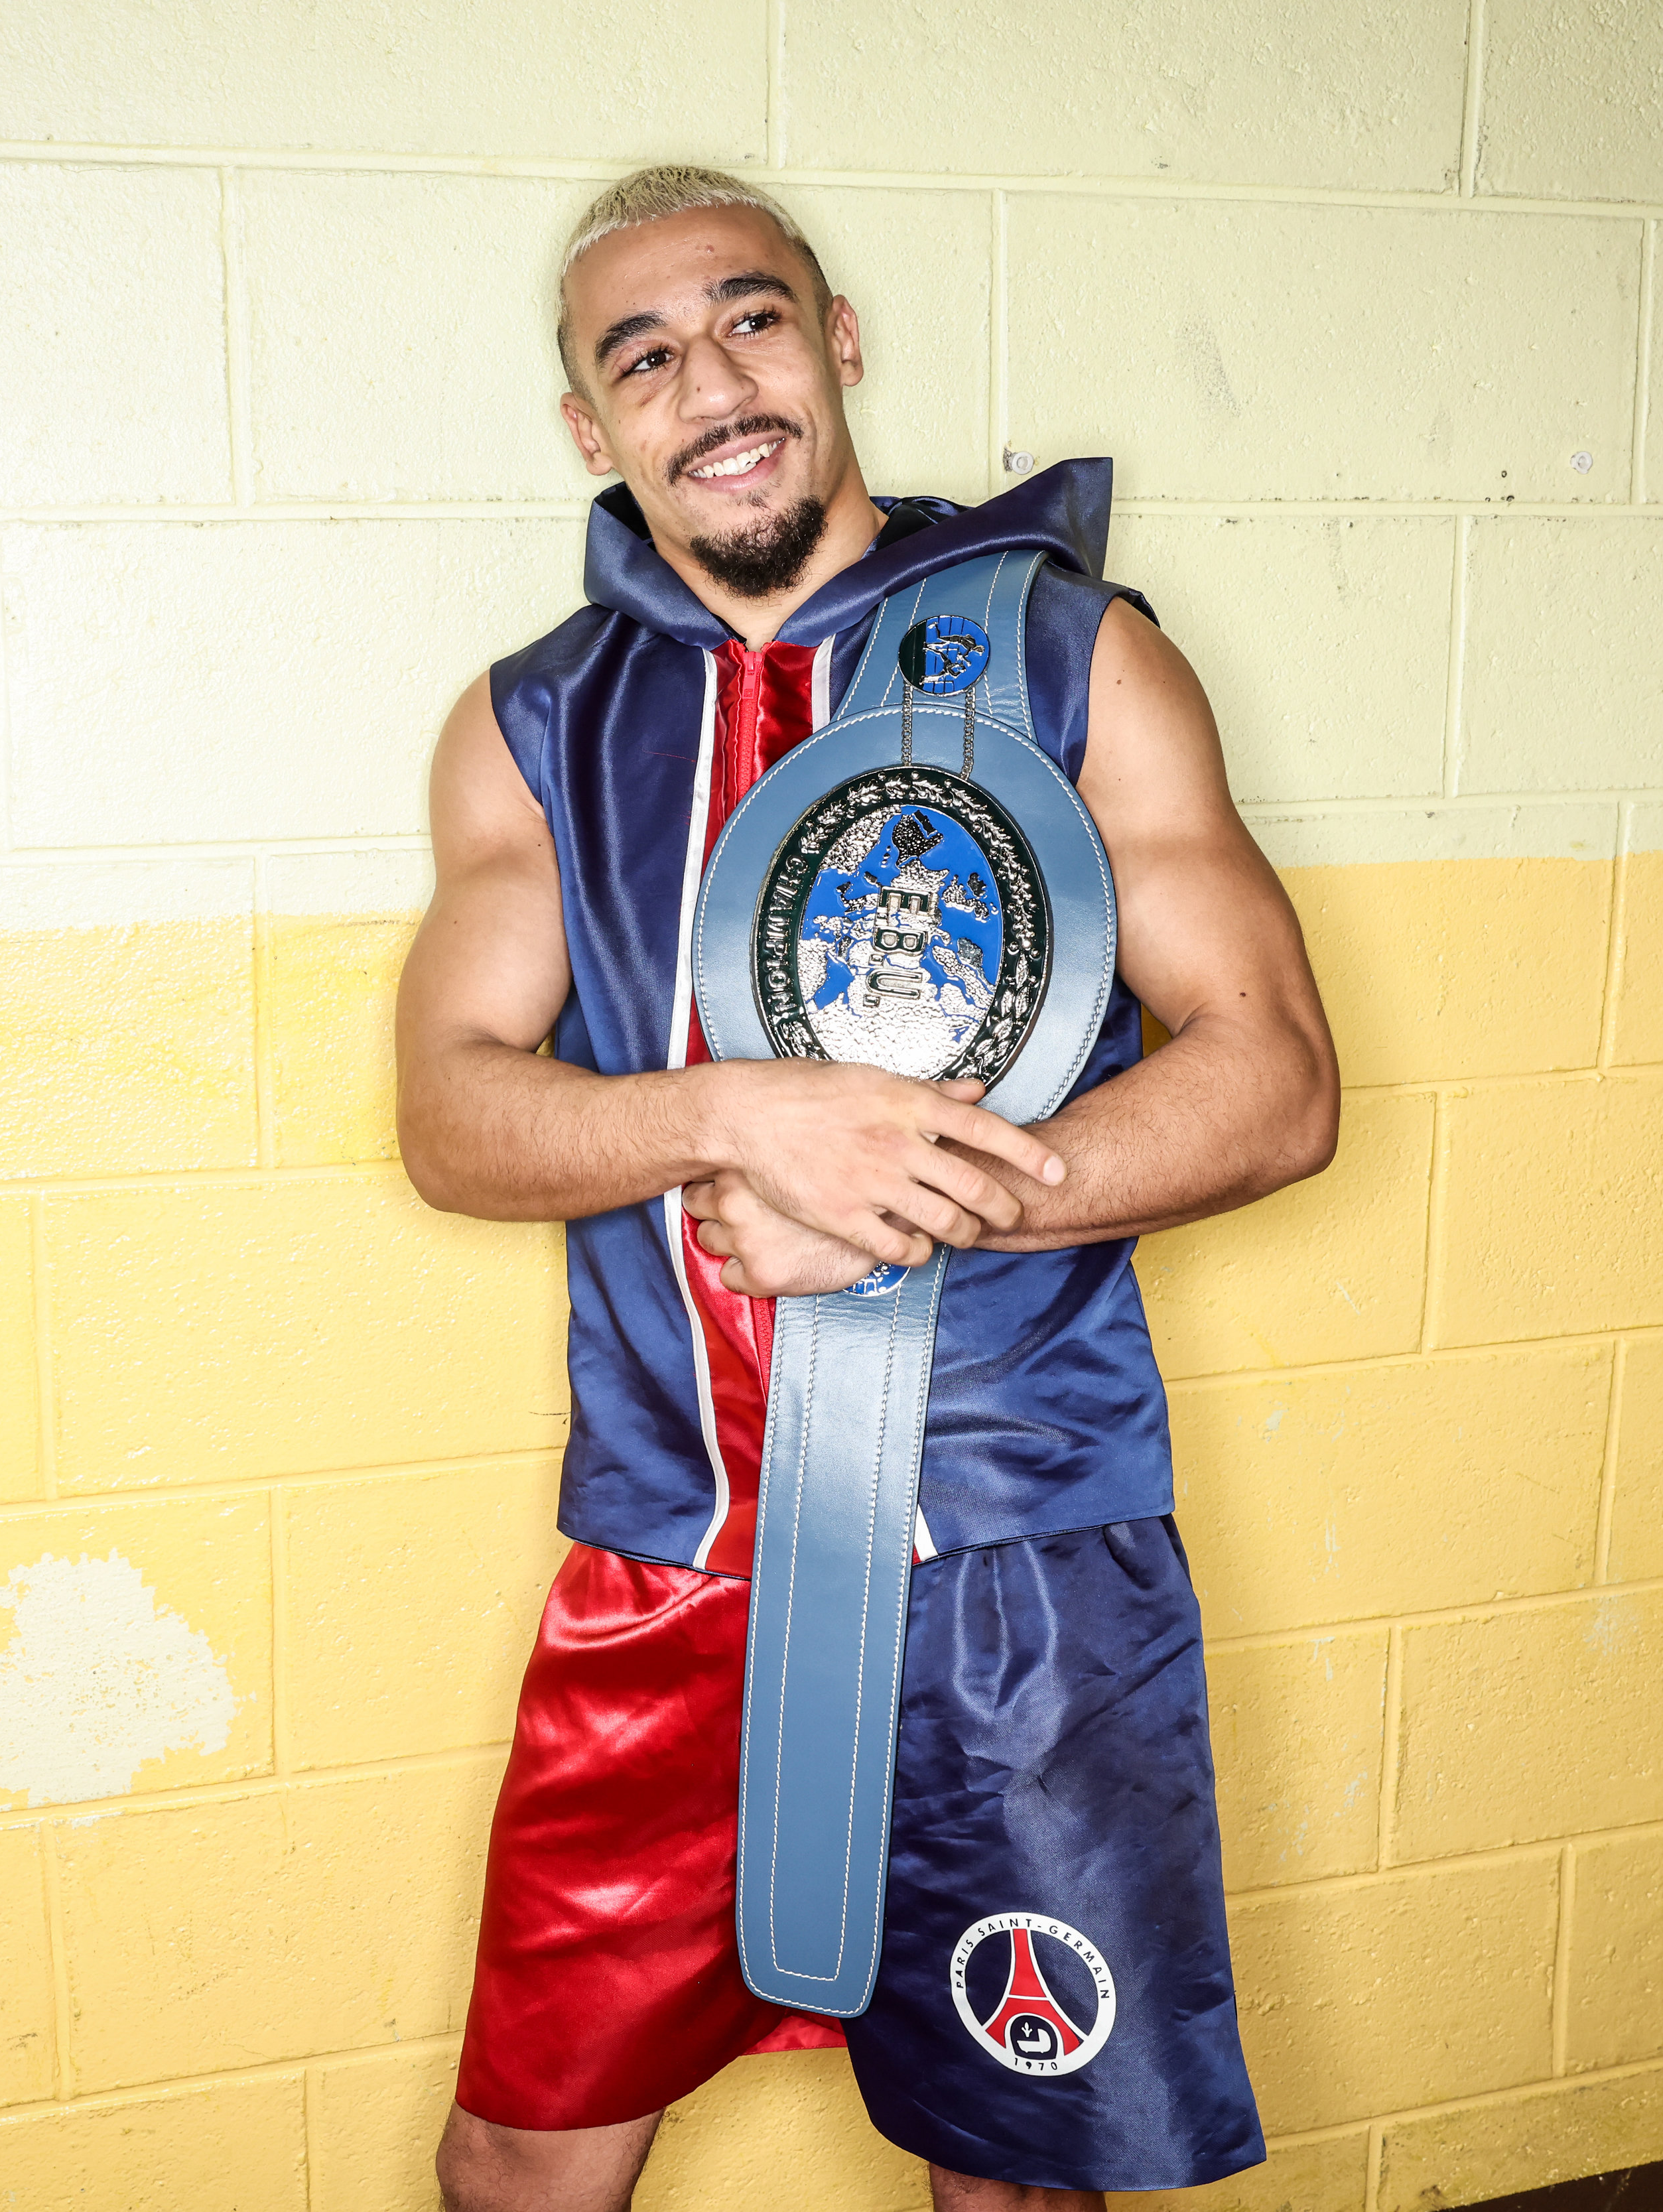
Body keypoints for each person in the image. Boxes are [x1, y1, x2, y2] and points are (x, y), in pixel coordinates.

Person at [395, 165, 1341, 2212]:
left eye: (750, 320)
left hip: (1009, 1558)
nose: (707, 384)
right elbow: (455, 1119)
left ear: (837, 343)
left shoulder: (1075, 661)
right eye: (640, 356)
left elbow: (1275, 1082)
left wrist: (914, 1196)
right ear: (591, 428)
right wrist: (737, 1120)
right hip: (678, 1555)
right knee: (519, 2162)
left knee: (1019, 2168)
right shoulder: (531, 729)